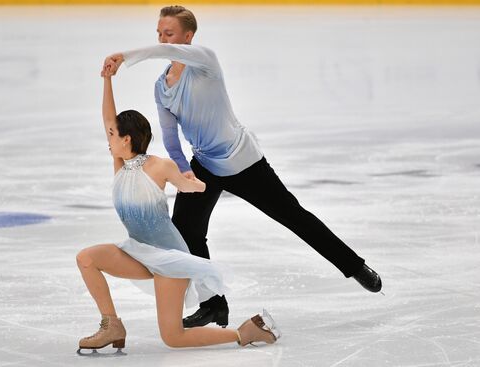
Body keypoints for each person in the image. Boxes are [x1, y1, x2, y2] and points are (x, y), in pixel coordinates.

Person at [102, 5, 383, 329]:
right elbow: (169, 134)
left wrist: (126, 55)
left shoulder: (204, 62)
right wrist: (183, 170)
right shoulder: (161, 86)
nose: (163, 39)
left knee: (294, 216)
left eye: (169, 34)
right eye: (159, 33)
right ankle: (213, 304)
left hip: (244, 161)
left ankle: (355, 266)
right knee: (187, 232)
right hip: (204, 164)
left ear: (188, 37)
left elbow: (166, 52)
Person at [74, 62, 280, 354]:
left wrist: (195, 183)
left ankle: (245, 332)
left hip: (169, 257)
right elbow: (108, 116)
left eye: (112, 135)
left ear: (127, 139)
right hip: (137, 251)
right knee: (86, 258)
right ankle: (112, 325)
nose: (108, 139)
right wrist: (107, 80)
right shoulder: (120, 165)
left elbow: (191, 187)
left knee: (173, 337)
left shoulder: (159, 166)